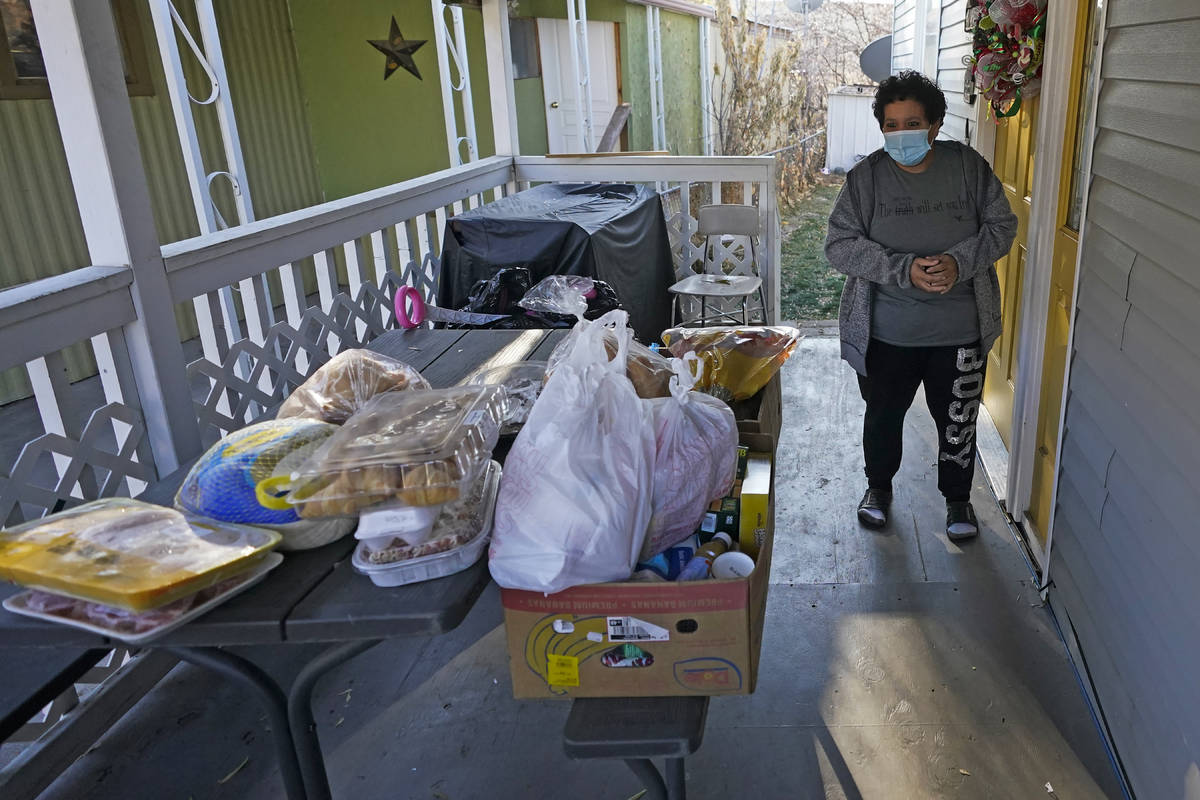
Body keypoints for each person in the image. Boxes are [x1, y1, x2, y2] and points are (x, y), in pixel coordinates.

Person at [824, 71, 1017, 541]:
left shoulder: (968, 168)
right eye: (890, 124)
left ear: (934, 125)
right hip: (887, 332)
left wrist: (958, 262)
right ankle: (878, 488)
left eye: (912, 122)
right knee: (883, 417)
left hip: (959, 330)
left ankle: (958, 500)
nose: (900, 133)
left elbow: (1002, 225)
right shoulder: (865, 178)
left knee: (957, 421)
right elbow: (839, 245)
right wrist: (902, 268)